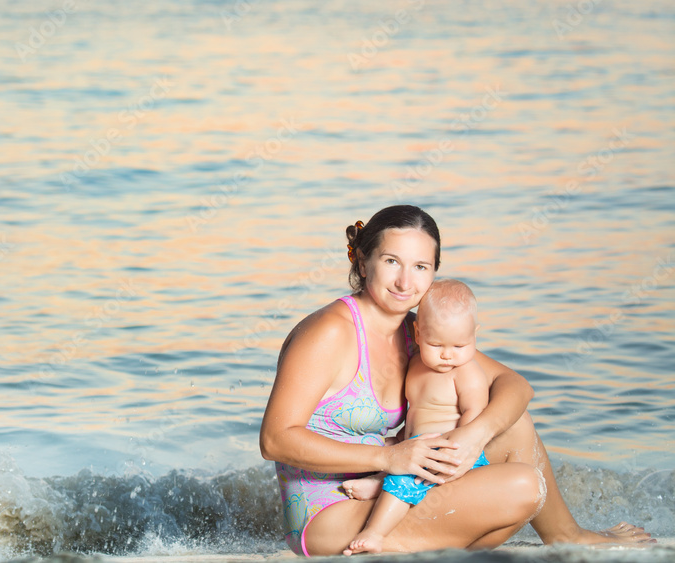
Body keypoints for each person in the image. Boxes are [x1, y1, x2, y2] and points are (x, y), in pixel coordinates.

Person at [259, 205, 653, 556]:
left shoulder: (417, 332)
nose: (404, 282)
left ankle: (566, 535)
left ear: (434, 273)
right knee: (523, 487)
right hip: (328, 515)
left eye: (420, 267)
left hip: (389, 487)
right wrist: (388, 458)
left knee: (513, 425)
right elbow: (275, 440)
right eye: (392, 261)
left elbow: (515, 385)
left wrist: (472, 436)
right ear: (363, 263)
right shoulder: (329, 332)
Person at [343, 278, 491, 555]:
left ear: (474, 335)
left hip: (449, 451)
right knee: (383, 450)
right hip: (418, 443)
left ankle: (375, 532)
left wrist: (458, 447)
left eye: (459, 346)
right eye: (436, 345)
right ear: (418, 334)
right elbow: (415, 412)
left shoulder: (467, 372)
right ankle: (381, 479)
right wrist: (399, 439)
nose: (447, 355)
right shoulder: (415, 364)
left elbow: (475, 412)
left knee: (405, 481)